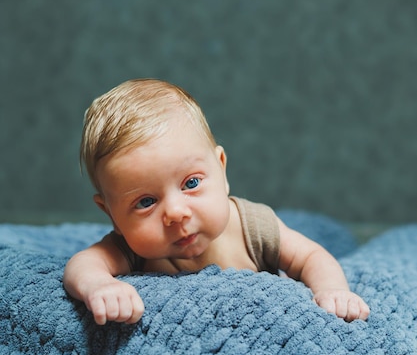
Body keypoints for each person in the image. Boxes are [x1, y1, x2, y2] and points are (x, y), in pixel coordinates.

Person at [63, 78, 370, 326]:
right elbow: (82, 265)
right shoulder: (129, 248)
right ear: (112, 215)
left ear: (221, 169)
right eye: (145, 202)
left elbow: (311, 258)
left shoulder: (253, 226)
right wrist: (99, 286)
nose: (176, 213)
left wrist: (332, 291)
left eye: (191, 183)